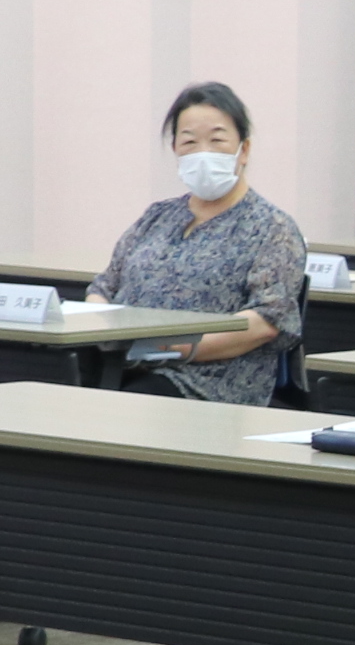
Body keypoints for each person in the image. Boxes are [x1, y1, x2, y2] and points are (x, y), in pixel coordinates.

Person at [90, 80, 307, 404]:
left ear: (244, 150)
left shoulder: (272, 227)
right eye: (189, 141)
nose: (202, 153)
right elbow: (103, 287)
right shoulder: (157, 216)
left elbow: (267, 320)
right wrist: (101, 330)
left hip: (207, 382)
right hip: (122, 365)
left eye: (217, 140)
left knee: (120, 409)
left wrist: (171, 347)